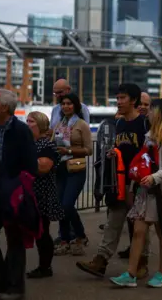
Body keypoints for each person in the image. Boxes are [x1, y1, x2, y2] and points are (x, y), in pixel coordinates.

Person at [77, 84, 151, 279]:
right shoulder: (118, 125)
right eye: (117, 98)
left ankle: (143, 262)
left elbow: (157, 148)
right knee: (113, 222)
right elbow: (121, 149)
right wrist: (113, 153)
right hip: (119, 181)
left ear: (133, 101)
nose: (118, 102)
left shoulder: (145, 124)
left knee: (138, 225)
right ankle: (100, 260)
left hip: (139, 183)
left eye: (122, 98)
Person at [110, 98, 162, 288]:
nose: (147, 112)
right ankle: (131, 273)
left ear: (159, 113)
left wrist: (154, 177)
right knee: (138, 231)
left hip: (161, 192)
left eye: (151, 110)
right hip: (147, 190)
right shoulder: (150, 134)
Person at [0, 89, 38, 299]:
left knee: (14, 241)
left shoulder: (21, 131)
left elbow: (31, 164)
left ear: (4, 107)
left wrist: (18, 187)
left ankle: (15, 288)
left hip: (12, 194)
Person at [51, 93, 93, 256]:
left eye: (69, 103)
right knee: (61, 207)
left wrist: (68, 150)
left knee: (67, 205)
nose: (66, 106)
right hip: (60, 169)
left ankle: (80, 236)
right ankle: (65, 241)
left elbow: (89, 149)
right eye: (63, 104)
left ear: (75, 105)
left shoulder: (81, 124)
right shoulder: (59, 124)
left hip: (76, 169)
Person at [25, 111, 64, 278]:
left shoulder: (46, 145)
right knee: (36, 231)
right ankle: (43, 266)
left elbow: (43, 168)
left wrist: (22, 161)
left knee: (42, 232)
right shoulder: (30, 144)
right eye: (26, 121)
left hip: (42, 193)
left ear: (40, 125)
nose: (27, 124)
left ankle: (45, 267)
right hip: (30, 193)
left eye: (31, 121)